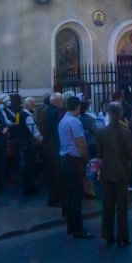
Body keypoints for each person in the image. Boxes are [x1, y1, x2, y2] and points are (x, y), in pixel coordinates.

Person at [97, 102, 132, 247]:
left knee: (107, 205)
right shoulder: (126, 132)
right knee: (122, 206)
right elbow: (131, 154)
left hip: (107, 172)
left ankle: (108, 235)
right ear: (120, 114)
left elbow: (99, 153)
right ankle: (122, 236)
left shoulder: (101, 132)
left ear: (108, 114)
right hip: (121, 172)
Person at [58, 96, 93, 239]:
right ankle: (78, 228)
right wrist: (87, 159)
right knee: (77, 195)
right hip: (74, 160)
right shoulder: (74, 122)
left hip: (65, 158)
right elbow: (81, 144)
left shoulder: (63, 121)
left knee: (70, 194)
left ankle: (71, 225)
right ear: (77, 107)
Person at [42, 92, 65, 208]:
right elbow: (59, 130)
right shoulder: (56, 112)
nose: (62, 103)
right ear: (57, 101)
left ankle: (53, 198)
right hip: (55, 148)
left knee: (52, 174)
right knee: (56, 175)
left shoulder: (47, 111)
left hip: (48, 147)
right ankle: (56, 199)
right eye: (61, 101)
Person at [20, 97, 42, 195]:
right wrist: (41, 139)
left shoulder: (20, 114)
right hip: (29, 143)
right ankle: (29, 187)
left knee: (27, 164)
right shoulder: (28, 117)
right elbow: (35, 132)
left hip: (23, 142)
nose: (34, 106)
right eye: (33, 105)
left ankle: (27, 185)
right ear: (27, 105)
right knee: (30, 164)